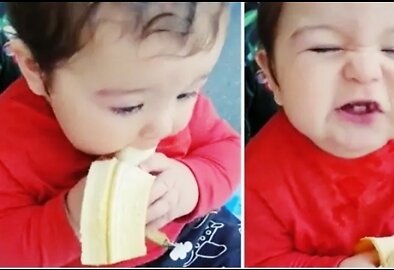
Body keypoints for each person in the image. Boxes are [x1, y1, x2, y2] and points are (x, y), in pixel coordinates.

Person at [0, 2, 240, 267]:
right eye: (129, 107)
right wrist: (69, 220)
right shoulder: (9, 142)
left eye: (186, 93)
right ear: (36, 69)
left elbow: (228, 150)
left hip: (184, 231)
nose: (163, 126)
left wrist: (191, 184)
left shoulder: (162, 91)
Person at [245, 2, 394, 267]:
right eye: (325, 47)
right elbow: (261, 260)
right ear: (271, 75)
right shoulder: (258, 176)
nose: (365, 72)